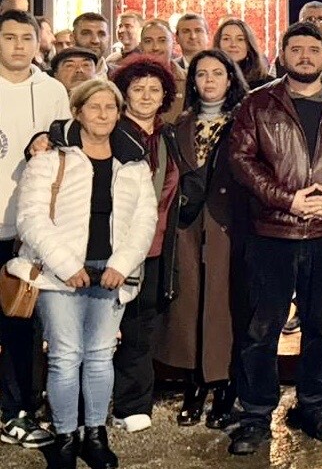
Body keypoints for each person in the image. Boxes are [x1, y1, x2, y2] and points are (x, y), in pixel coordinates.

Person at [227, 22, 322, 456]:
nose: (305, 56)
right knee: (261, 330)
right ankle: (255, 415)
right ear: (282, 54)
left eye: (313, 49)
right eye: (296, 48)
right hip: (272, 233)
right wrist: (288, 200)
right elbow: (241, 161)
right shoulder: (257, 103)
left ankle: (315, 407)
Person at [8, 79, 155, 469]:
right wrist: (66, 265)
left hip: (110, 274)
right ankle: (65, 436)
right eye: (94, 107)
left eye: (110, 107)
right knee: (64, 356)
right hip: (60, 276)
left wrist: (122, 264)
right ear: (77, 112)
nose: (103, 115)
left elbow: (145, 221)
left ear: (119, 113)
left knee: (100, 356)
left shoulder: (134, 162)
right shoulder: (50, 158)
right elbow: (31, 217)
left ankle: (95, 434)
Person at [155, 49, 249, 430]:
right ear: (192, 81)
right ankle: (194, 383)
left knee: (224, 304)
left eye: (217, 73)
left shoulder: (245, 120)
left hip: (230, 223)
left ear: (230, 79)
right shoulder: (179, 124)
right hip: (188, 223)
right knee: (189, 303)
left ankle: (225, 383)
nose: (209, 81)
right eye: (201, 74)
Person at [0, 10, 70, 450]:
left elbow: (65, 150)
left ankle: (16, 411)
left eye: (26, 38)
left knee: (20, 323)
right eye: (9, 37)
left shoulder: (52, 90)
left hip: (28, 228)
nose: (18, 46)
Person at [106, 58, 181, 433]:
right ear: (124, 94)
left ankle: (132, 404)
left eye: (154, 89)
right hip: (114, 247)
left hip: (155, 247)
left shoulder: (167, 136)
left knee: (140, 326)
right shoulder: (111, 133)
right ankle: (89, 405)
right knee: (101, 328)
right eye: (138, 89)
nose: (147, 96)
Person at [214, 19, 273, 90]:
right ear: (218, 43)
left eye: (240, 39)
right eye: (226, 39)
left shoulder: (268, 85)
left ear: (249, 45)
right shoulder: (208, 79)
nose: (233, 44)